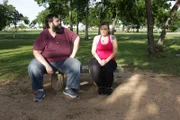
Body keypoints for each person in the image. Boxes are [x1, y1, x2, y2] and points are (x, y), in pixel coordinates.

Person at [28, 14, 81, 102]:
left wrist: (73, 54)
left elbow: (76, 38)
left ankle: (69, 88)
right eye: (57, 21)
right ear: (50, 23)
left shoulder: (64, 31)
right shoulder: (44, 34)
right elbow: (36, 52)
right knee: (33, 66)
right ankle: (39, 90)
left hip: (64, 61)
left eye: (59, 20)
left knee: (76, 64)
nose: (59, 22)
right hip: (47, 61)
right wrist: (46, 65)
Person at [88, 22, 118, 95]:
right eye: (101, 29)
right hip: (98, 59)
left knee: (107, 67)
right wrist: (99, 60)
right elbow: (93, 51)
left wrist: (106, 60)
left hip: (110, 60)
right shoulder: (96, 38)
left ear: (108, 29)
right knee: (94, 67)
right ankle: (101, 86)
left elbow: (115, 51)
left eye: (105, 29)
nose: (103, 31)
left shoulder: (113, 38)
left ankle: (108, 87)